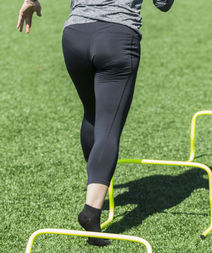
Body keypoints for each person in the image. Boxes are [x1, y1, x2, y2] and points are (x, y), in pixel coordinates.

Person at [17, 0, 174, 247]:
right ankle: (91, 210)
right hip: (117, 37)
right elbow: (163, 4)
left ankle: (96, 188)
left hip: (75, 36)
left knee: (91, 114)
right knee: (108, 128)